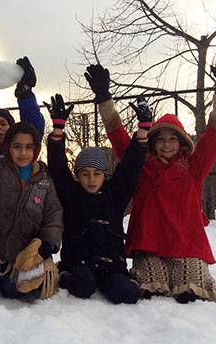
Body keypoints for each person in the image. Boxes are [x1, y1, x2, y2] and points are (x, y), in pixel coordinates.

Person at [85, 53, 216, 303]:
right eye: (160, 139)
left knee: (190, 291)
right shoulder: (139, 164)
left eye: (172, 139)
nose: (167, 144)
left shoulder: (194, 166)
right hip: (149, 244)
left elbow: (213, 136)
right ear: (152, 142)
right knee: (151, 288)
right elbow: (117, 136)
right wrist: (105, 99)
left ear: (181, 142)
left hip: (186, 244)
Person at [45, 94, 150, 304]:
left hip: (112, 264)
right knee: (83, 286)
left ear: (105, 175)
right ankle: (64, 274)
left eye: (97, 174)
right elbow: (57, 167)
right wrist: (58, 128)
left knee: (126, 295)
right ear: (78, 175)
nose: (91, 180)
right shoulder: (71, 194)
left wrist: (144, 129)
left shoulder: (115, 194)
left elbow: (130, 166)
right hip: (79, 262)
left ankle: (117, 281)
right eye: (85, 174)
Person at [0, 102, 63, 300]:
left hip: (32, 251)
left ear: (35, 149)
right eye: (17, 147)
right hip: (2, 251)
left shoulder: (44, 179)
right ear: (8, 147)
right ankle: (0, 274)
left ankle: (40, 267)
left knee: (37, 289)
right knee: (12, 291)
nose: (23, 153)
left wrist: (48, 244)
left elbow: (54, 213)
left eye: (28, 147)